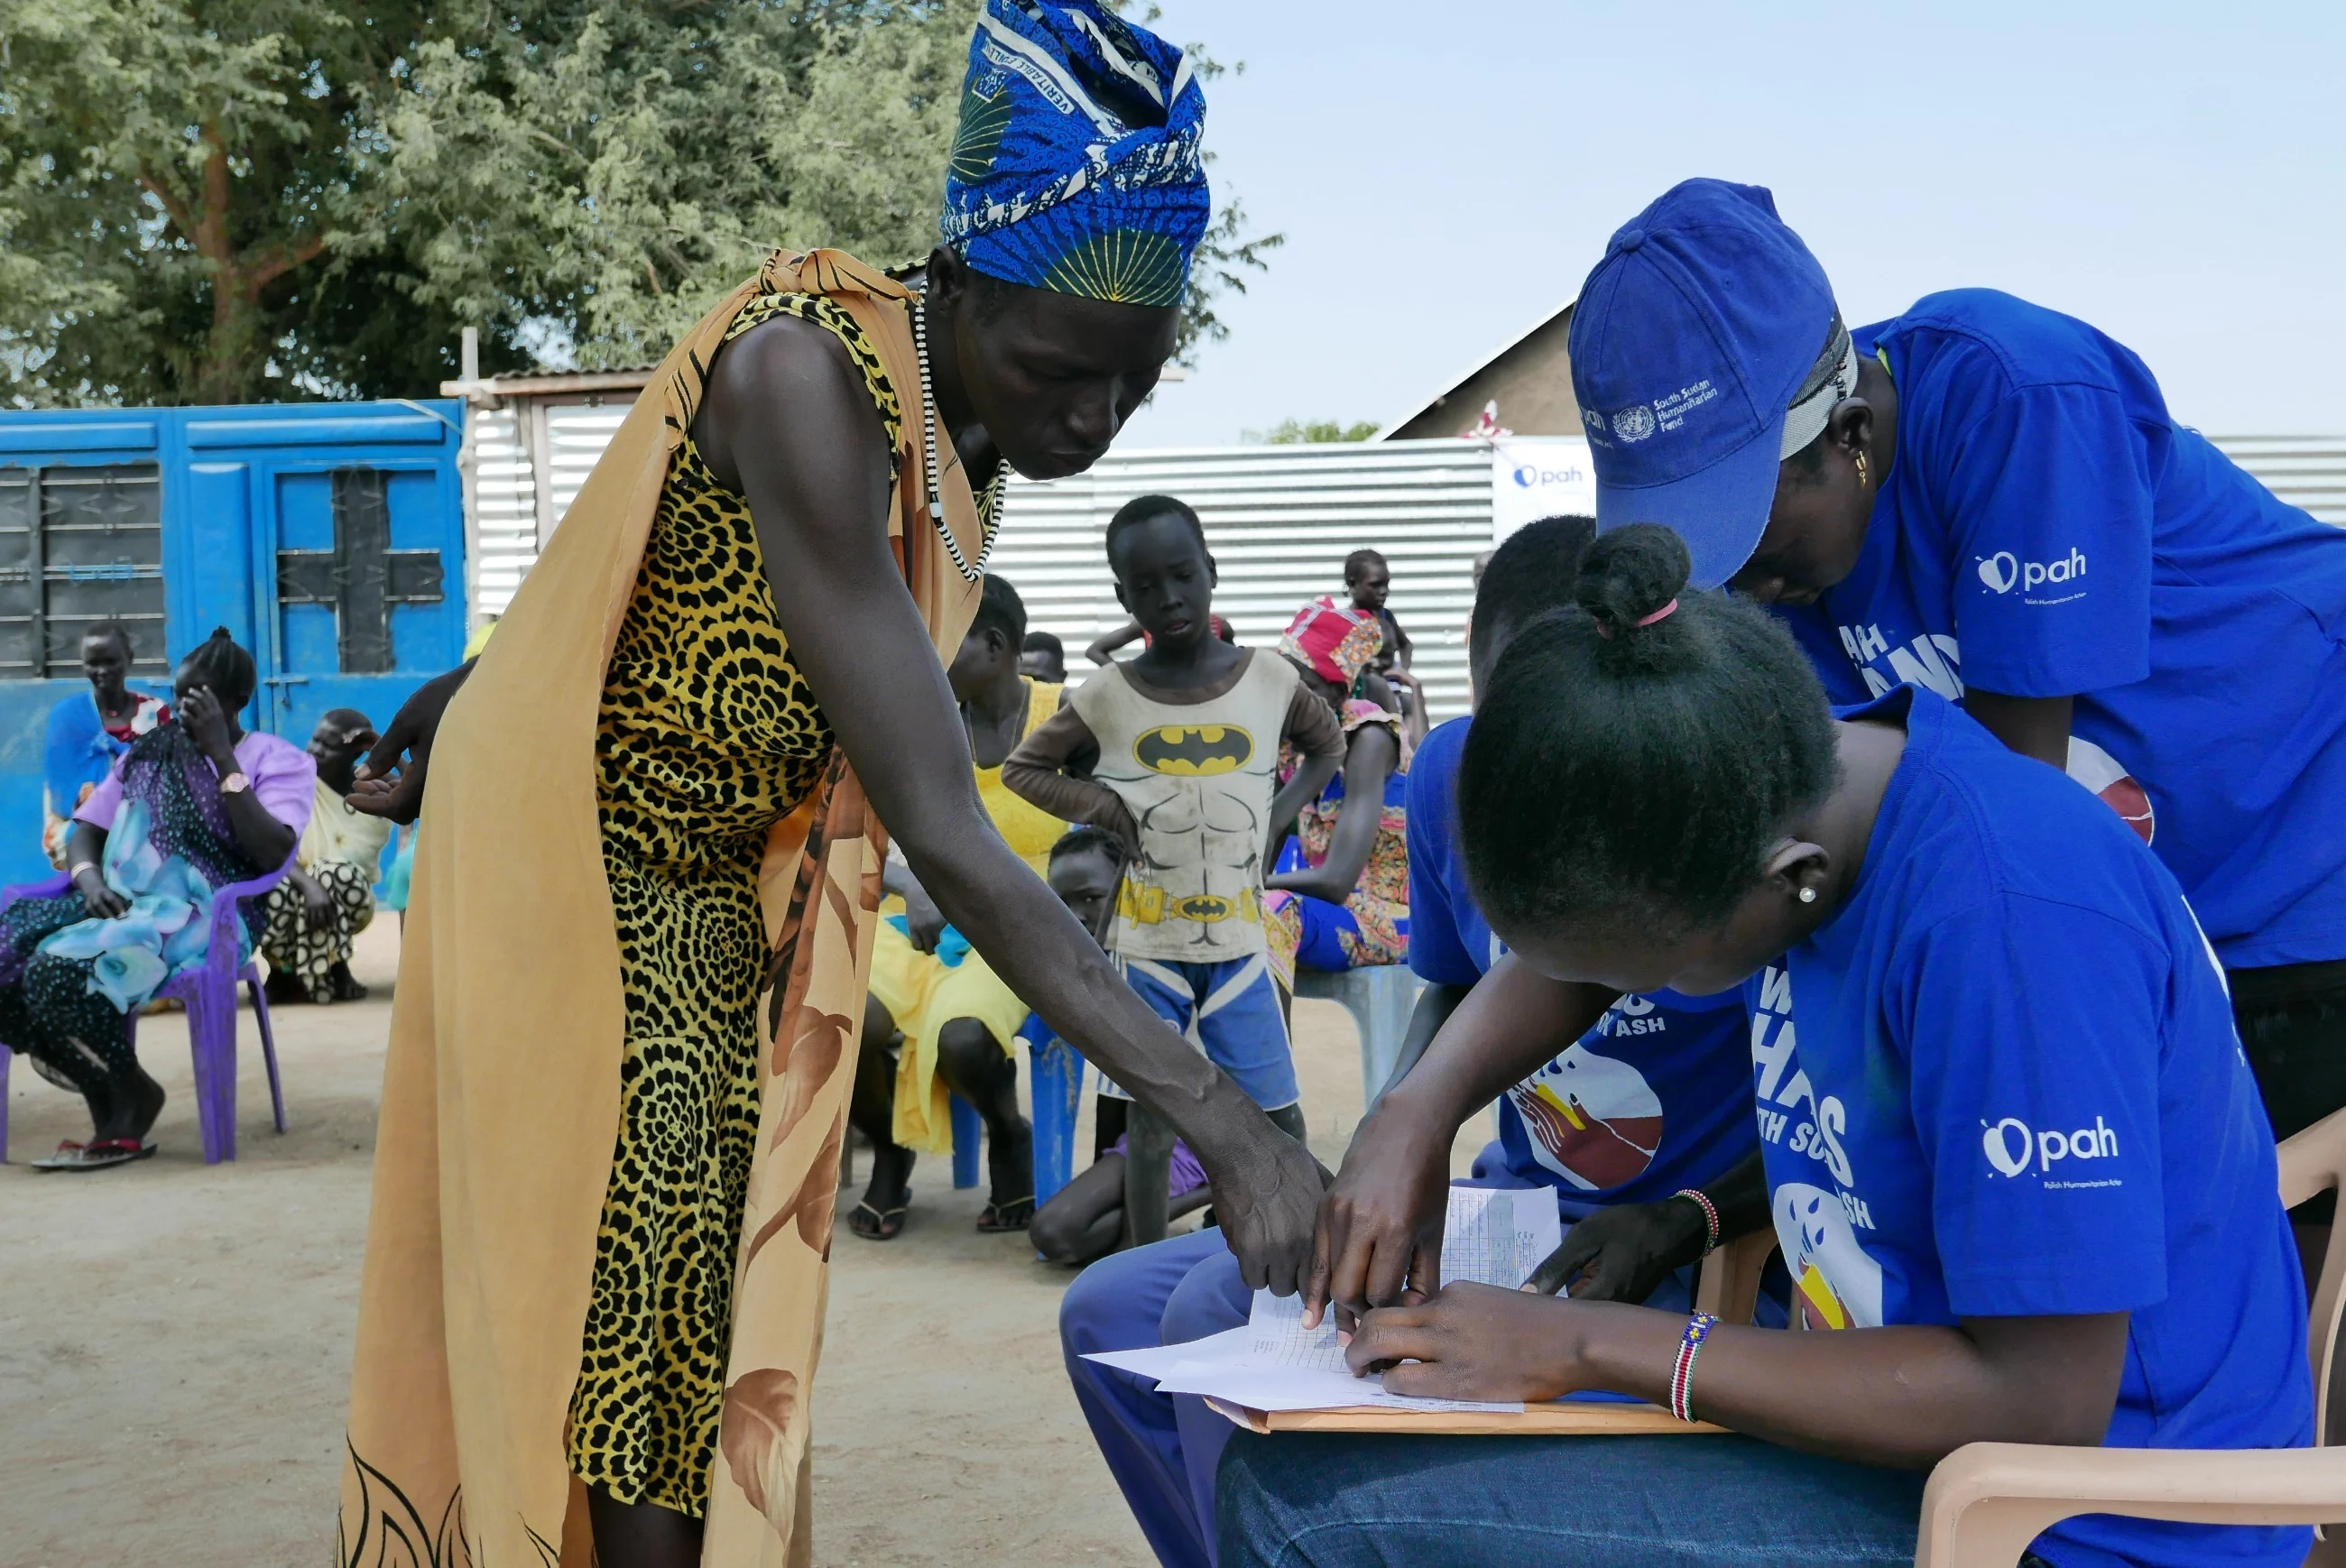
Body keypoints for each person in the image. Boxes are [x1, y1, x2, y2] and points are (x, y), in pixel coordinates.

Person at [335, 10, 1328, 1563]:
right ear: (963, 280)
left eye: (1132, 384)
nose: (1095, 419)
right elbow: (944, 818)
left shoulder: (954, 419)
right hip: (597, 857)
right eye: (1066, 371)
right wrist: (1231, 1121)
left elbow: (622, 588)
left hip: (709, 855)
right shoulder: (808, 378)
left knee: (688, 1265)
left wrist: (437, 715)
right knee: (656, 1257)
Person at [1258, 526, 2313, 1568]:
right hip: (1902, 1449)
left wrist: (1584, 1346)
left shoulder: (2011, 925)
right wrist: (1416, 1108)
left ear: (1786, 879)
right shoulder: (1787, 776)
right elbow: (1580, 944)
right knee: (1328, 1451)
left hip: (2074, 1520)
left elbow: (2039, 1401)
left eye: (1648, 969)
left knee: (1310, 1508)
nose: (1627, 995)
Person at [1568, 177, 2346, 1239]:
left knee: (2269, 1305)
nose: (1737, 588)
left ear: (1849, 434)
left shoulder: (2015, 395)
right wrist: (1419, 1110)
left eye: (1748, 538)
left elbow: (2010, 844)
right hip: (2144, 924)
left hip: (2293, 874)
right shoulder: (1794, 553)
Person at [1058, 520, 1763, 1568]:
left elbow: (1813, 1136)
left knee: (1228, 1311)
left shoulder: (1712, 812)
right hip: (1510, 1208)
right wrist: (1399, 1124)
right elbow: (1452, 987)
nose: (1513, 760)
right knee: (1105, 1309)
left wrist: (1684, 1216)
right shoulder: (1447, 775)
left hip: (1638, 1246)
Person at [1003, 493, 1345, 1145]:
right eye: (1146, 586)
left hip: (1243, 944)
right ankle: (1145, 1247)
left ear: (1211, 570)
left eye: (1183, 576)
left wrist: (1275, 817)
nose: (1170, 598)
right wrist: (1104, 808)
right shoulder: (1109, 694)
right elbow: (1025, 768)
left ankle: (1286, 1235)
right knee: (1149, 1125)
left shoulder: (1269, 679)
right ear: (1123, 596)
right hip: (1147, 945)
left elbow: (1327, 744)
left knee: (1280, 1115)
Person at [0, 630, 312, 1170]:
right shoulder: (149, 753)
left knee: (56, 968)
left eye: (201, 699)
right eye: (180, 693)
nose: (184, 708)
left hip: (209, 914)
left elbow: (271, 851)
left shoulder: (275, 759)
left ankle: (127, 1102)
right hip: (123, 901)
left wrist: (221, 756)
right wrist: (89, 878)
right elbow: (85, 828)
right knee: (6, 951)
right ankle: (116, 1089)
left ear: (234, 702)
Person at [848, 575, 1062, 1239]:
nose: (927, 654)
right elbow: (856, 834)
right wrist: (909, 887)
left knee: (962, 1038)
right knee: (840, 1017)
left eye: (944, 638)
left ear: (994, 645)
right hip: (920, 912)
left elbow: (1109, 836)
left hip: (1022, 925)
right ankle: (889, 1148)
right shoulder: (922, 724)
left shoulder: (1066, 719)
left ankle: (1008, 1133)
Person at [1028, 827, 1216, 1266]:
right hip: (1140, 1134)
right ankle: (1157, 1214)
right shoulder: (1095, 962)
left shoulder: (1164, 962)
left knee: (1055, 1231)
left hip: (1194, 1133)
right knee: (1059, 1237)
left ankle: (1214, 1186)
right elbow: (1114, 1085)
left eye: (1091, 898)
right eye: (1063, 902)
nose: (1075, 915)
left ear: (1131, 885)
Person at [1261, 597, 1409, 982]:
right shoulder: (1289, 748)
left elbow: (1336, 880)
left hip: (1394, 916)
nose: (1287, 698)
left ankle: (1270, 1045)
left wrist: (1254, 886)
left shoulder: (1369, 740)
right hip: (1329, 911)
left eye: (1304, 687)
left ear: (1338, 695)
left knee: (1270, 911)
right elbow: (1263, 846)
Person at [258, 708, 388, 1005]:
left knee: (333, 873)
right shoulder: (290, 782)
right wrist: (309, 885)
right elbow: (270, 847)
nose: (314, 751)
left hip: (349, 896)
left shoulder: (371, 788)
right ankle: (283, 972)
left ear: (355, 753)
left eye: (327, 746)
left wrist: (381, 750)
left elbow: (419, 790)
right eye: (315, 740)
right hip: (294, 890)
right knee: (276, 884)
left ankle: (336, 966)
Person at [41, 623, 169, 868]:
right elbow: (60, 793)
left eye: (111, 662)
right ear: (83, 663)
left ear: (129, 659)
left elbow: (171, 779)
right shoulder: (66, 717)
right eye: (93, 663)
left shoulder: (155, 713)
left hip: (148, 833)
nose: (102, 671)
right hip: (81, 832)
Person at [1085, 608, 1237, 666]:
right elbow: (1095, 651)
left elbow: (1234, 665)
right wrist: (1124, 680)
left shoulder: (1219, 627)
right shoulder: (1146, 626)